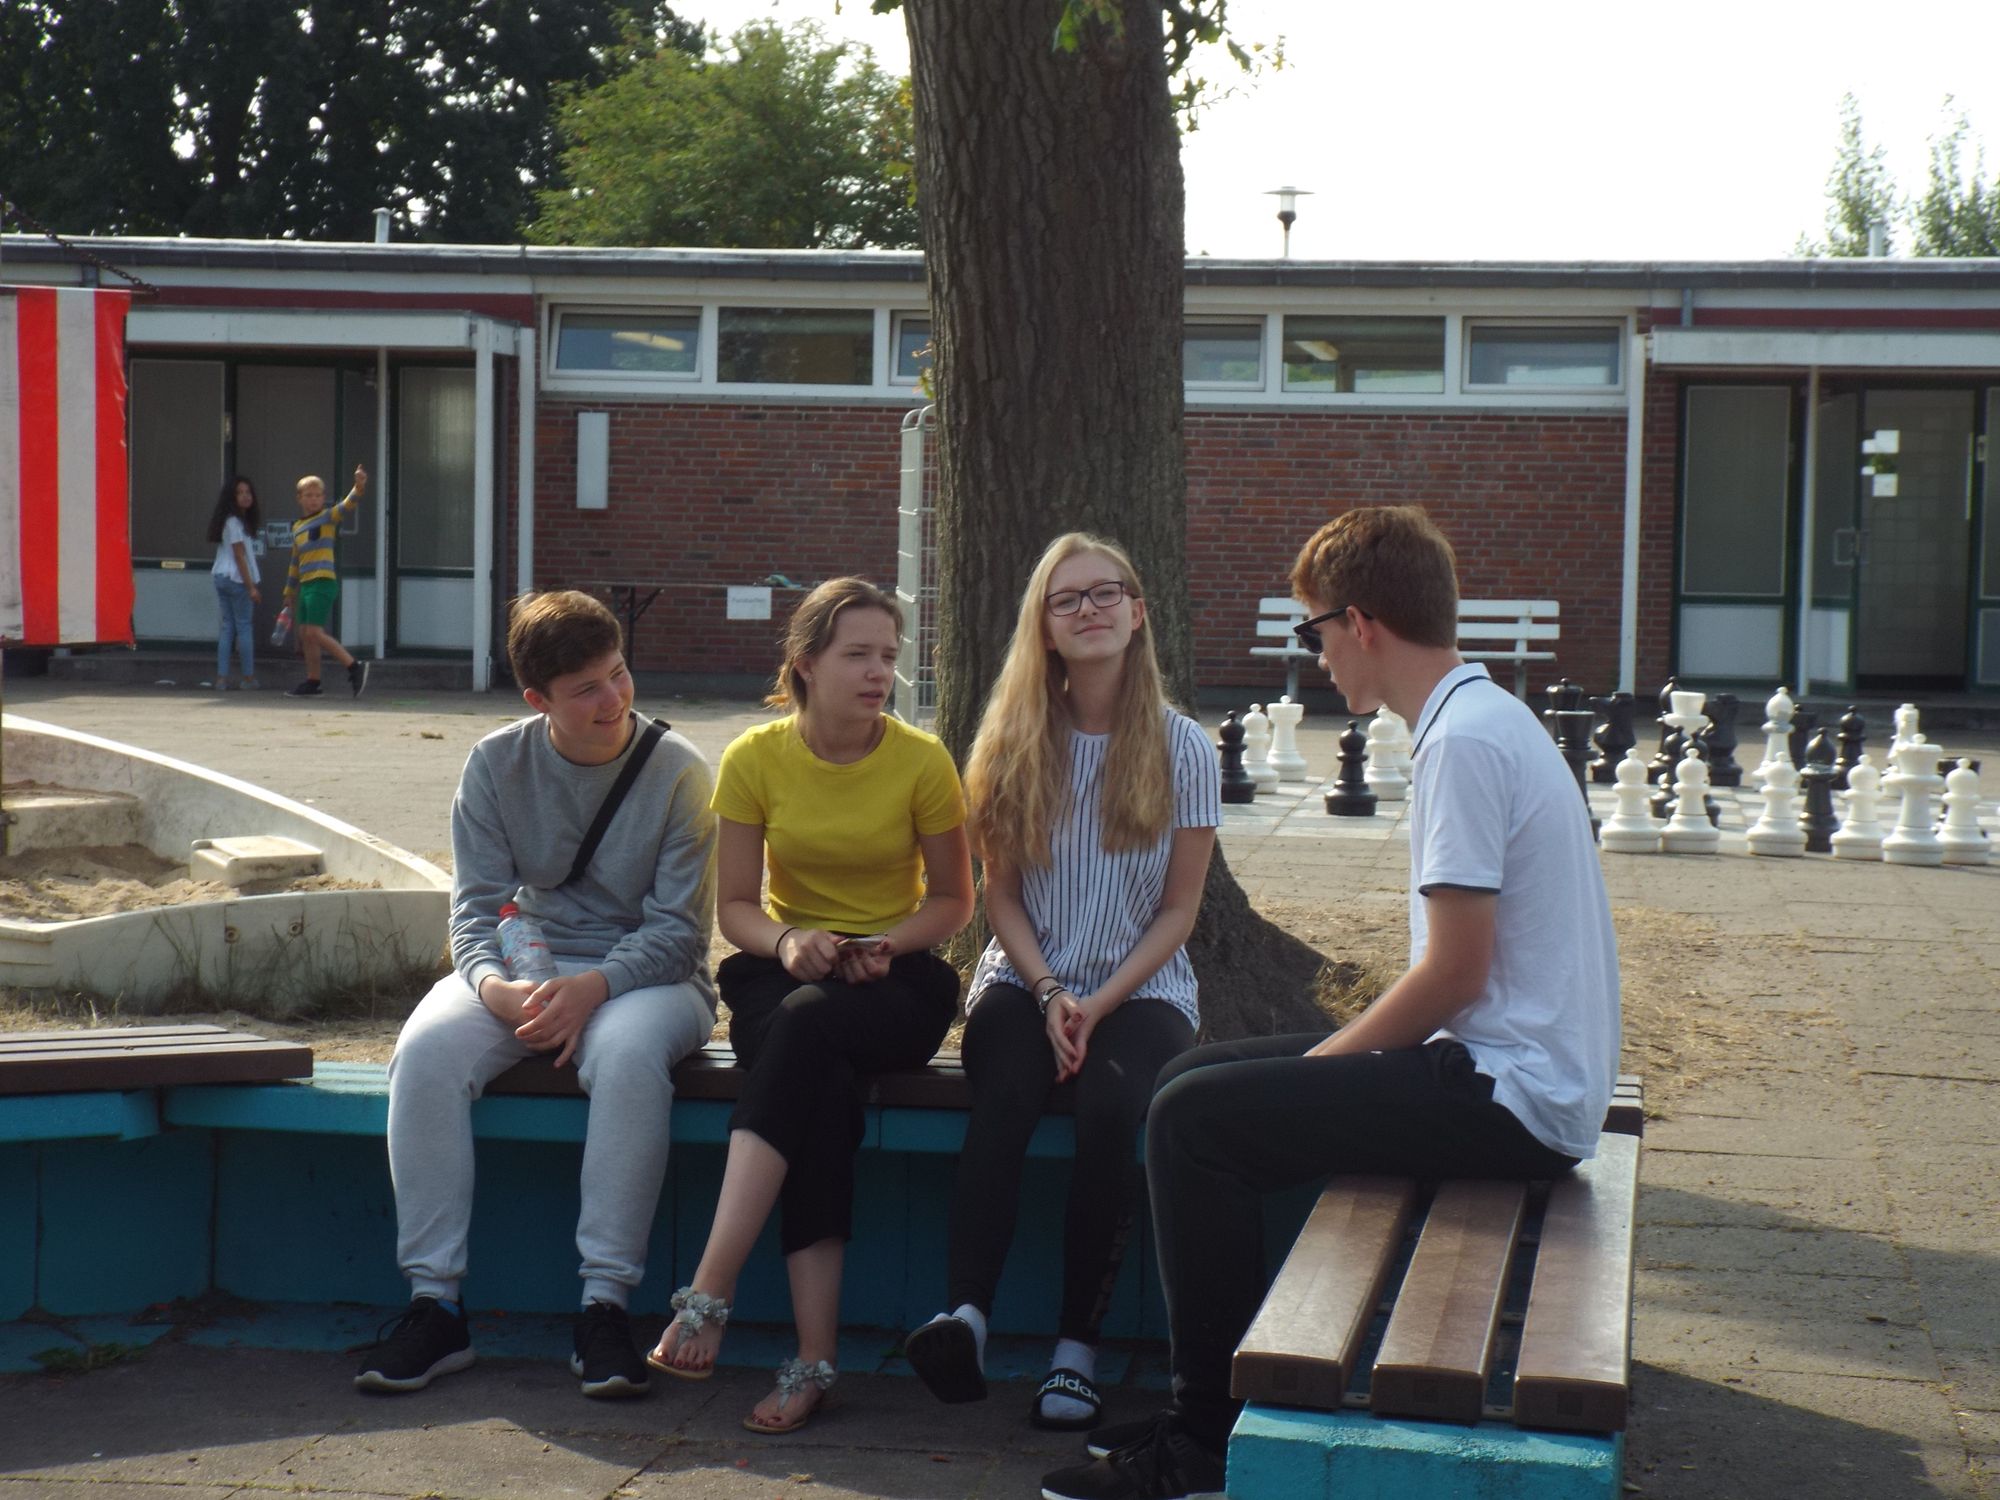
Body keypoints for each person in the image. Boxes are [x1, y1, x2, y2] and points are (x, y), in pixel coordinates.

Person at [1041, 506, 1621, 1500]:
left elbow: (1455, 974)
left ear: (1359, 624)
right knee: (1189, 1078)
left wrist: (1321, 1068)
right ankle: (1207, 1404)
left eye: (1314, 632)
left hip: (1513, 1097)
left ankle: (1204, 1443)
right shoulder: (1482, 716)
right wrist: (1314, 1072)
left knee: (1193, 1122)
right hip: (1515, 1075)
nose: (1315, 659)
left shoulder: (1461, 743)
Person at [354, 590, 719, 1400]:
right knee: (424, 1051)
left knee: (627, 1056)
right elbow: (475, 908)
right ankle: (435, 1305)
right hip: (527, 968)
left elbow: (680, 934)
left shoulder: (679, 771)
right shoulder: (496, 764)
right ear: (537, 699)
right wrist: (493, 989)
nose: (613, 699)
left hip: (650, 979)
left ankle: (604, 1307)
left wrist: (594, 987)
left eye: (618, 674)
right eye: (586, 689)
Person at [903, 534, 1218, 1431]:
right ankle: (966, 1319)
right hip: (1025, 976)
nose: (1088, 609)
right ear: (1042, 627)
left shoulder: (1183, 747)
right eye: (1066, 598)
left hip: (1144, 991)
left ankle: (1076, 1354)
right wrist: (1048, 994)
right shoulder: (1010, 742)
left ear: (1138, 613)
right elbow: (999, 897)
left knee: (1112, 1108)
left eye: (1106, 593)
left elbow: (1180, 912)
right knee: (1004, 1088)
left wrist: (1098, 1003)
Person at [645, 577, 974, 1435]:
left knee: (809, 1027)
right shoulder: (755, 758)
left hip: (898, 982)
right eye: (858, 655)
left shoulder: (921, 761)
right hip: (782, 971)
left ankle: (709, 1289)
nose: (879, 674)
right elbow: (736, 909)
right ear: (805, 663)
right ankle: (814, 1362)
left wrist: (887, 943)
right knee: (816, 1081)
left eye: (889, 657)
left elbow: (954, 901)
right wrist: (790, 942)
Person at [283, 464, 369, 698]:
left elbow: (347, 505)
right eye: (308, 495)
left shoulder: (327, 517)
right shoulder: (298, 527)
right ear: (299, 498)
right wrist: (289, 592)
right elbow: (295, 561)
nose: (313, 499)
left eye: (318, 495)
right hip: (306, 584)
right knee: (305, 634)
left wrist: (358, 486)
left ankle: (354, 666)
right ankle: (313, 682)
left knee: (313, 632)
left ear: (323, 498)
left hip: (322, 581)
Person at [207, 475, 263, 690]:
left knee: (228, 627)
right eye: (240, 493)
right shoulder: (235, 523)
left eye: (247, 492)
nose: (245, 496)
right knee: (244, 626)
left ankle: (222, 678)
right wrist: (251, 587)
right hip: (237, 579)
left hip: (221, 575)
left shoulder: (227, 521)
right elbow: (239, 556)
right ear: (232, 497)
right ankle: (248, 678)